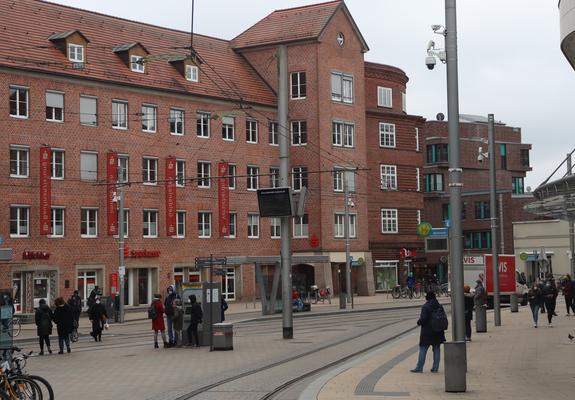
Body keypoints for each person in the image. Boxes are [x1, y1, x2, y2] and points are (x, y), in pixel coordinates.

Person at [411, 292, 446, 373]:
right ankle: (435, 368)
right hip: (438, 331)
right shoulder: (440, 306)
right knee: (436, 349)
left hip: (427, 332)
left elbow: (423, 319)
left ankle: (419, 368)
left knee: (423, 349)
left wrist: (418, 322)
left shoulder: (425, 307)